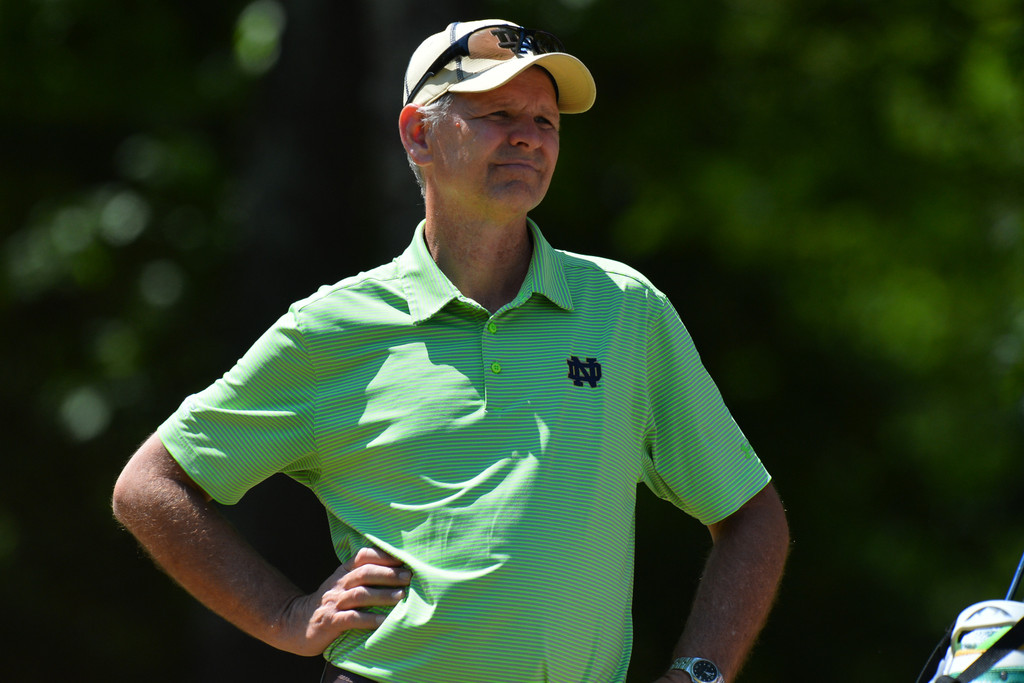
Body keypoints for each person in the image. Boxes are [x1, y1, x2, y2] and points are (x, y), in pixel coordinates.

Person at [112, 18, 789, 683]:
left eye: (546, 121)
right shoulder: (333, 328)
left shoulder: (626, 310)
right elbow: (150, 486)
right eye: (498, 112)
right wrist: (285, 616)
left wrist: (699, 674)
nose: (528, 136)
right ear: (418, 134)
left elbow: (751, 516)